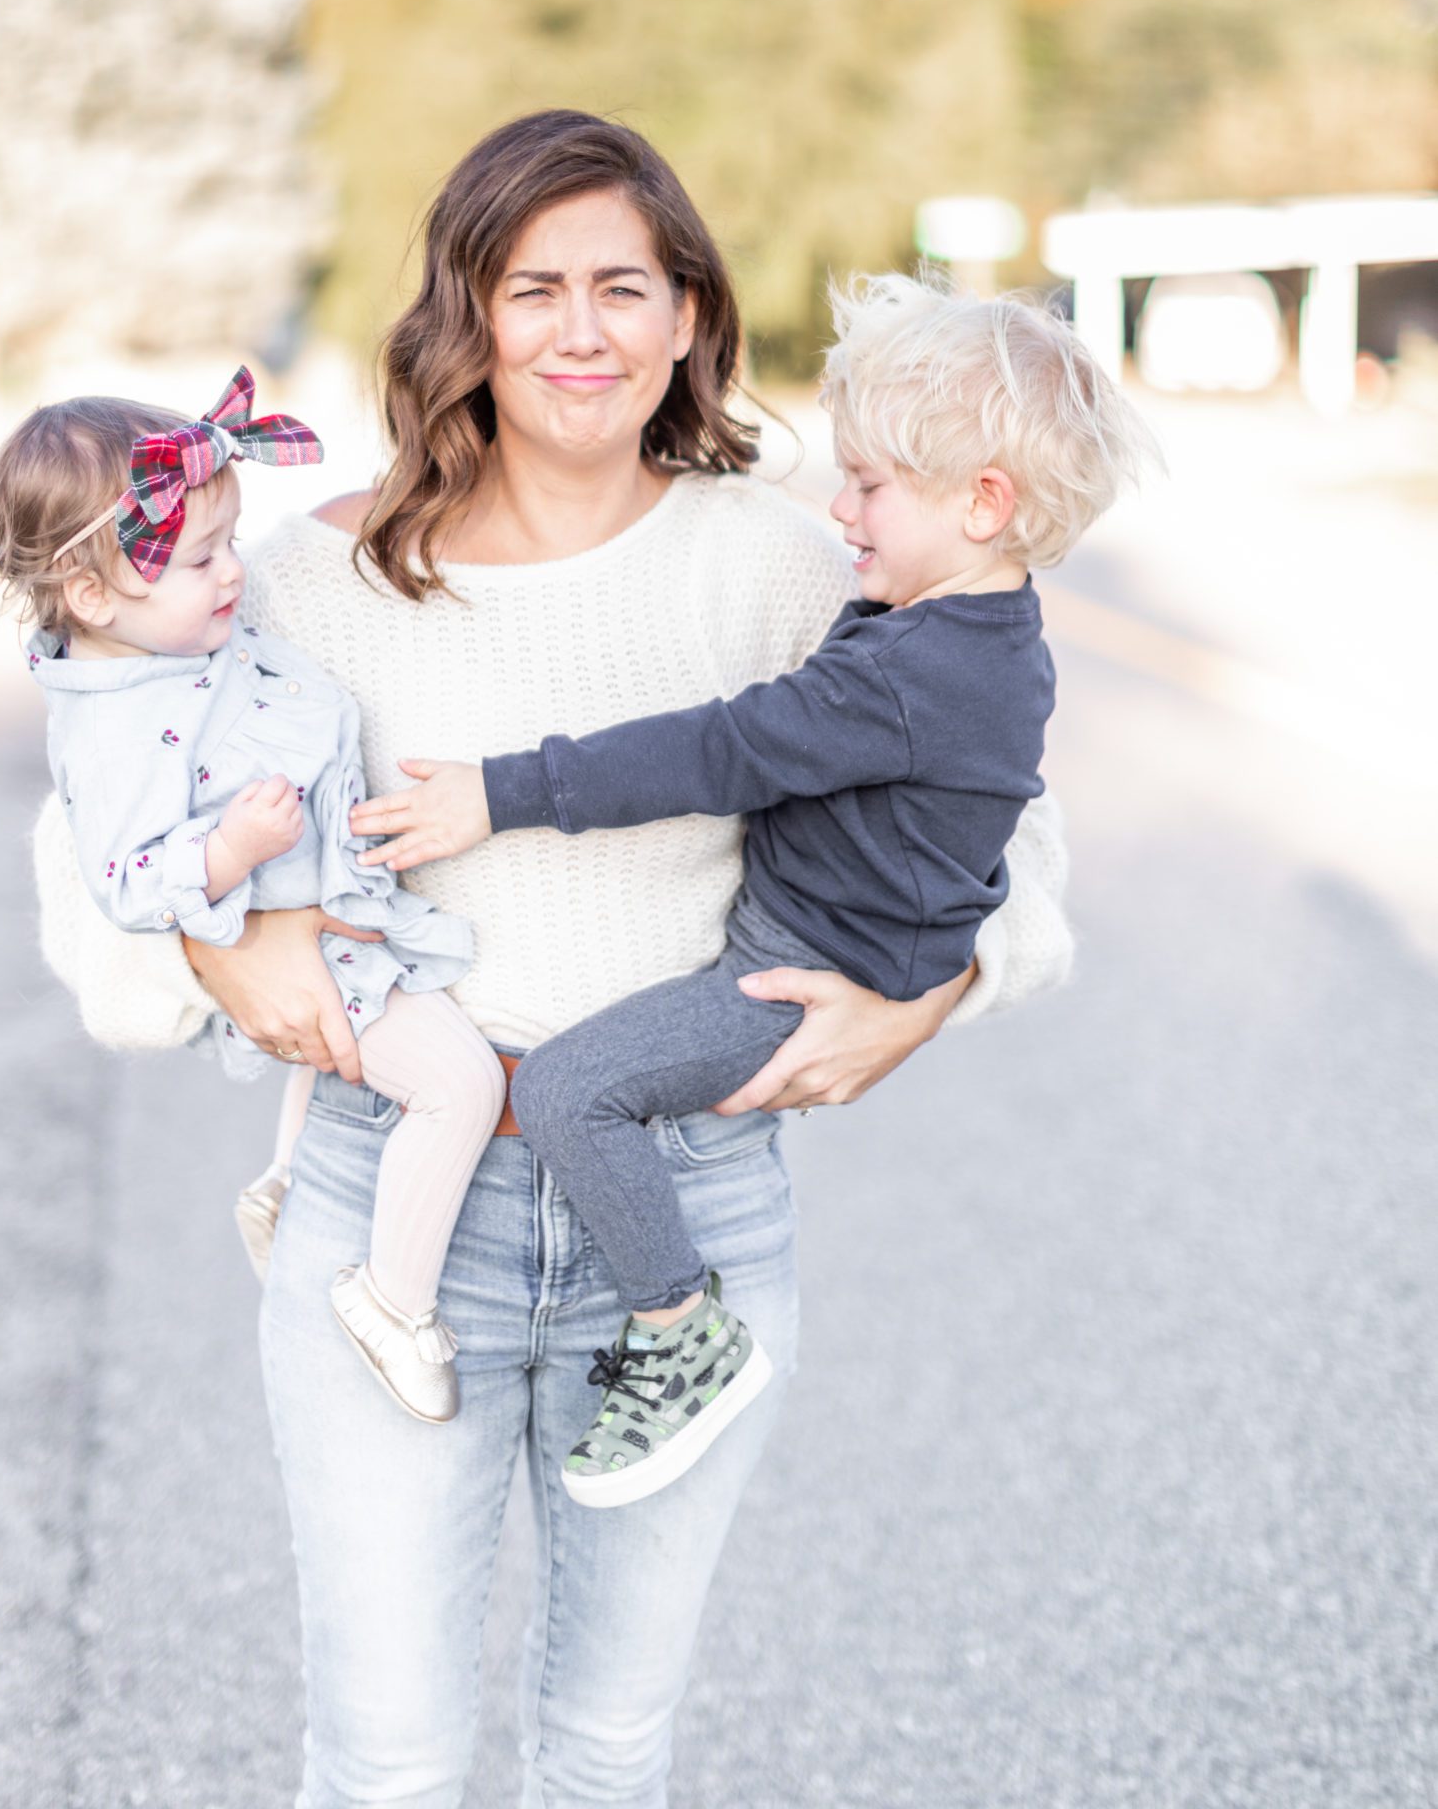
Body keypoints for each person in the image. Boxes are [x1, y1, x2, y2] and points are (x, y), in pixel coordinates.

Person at [30, 111, 1077, 1809]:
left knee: (604, 1748)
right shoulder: (310, 581)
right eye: (533, 290)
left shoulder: (789, 568)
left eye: (622, 287)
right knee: (386, 1759)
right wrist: (247, 959)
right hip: (392, 1215)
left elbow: (996, 814)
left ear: (686, 317)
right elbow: (100, 815)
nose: (580, 330)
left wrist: (919, 999)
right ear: (468, 319)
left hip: (688, 1206)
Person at [352, 271, 1157, 1504]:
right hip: (818, 950)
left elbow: (713, 751)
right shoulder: (978, 630)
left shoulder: (904, 672)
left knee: (574, 1086)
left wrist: (498, 791)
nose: (842, 509)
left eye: (872, 486)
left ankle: (680, 1331)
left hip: (787, 978)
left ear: (986, 501)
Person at [0, 369, 506, 1422]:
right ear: (88, 596)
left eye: (231, 542)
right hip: (321, 945)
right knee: (459, 1085)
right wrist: (233, 849)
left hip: (339, 923)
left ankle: (288, 1186)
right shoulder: (120, 720)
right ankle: (392, 1301)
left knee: (325, 1062)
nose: (234, 576)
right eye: (201, 558)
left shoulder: (167, 643)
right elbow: (127, 880)